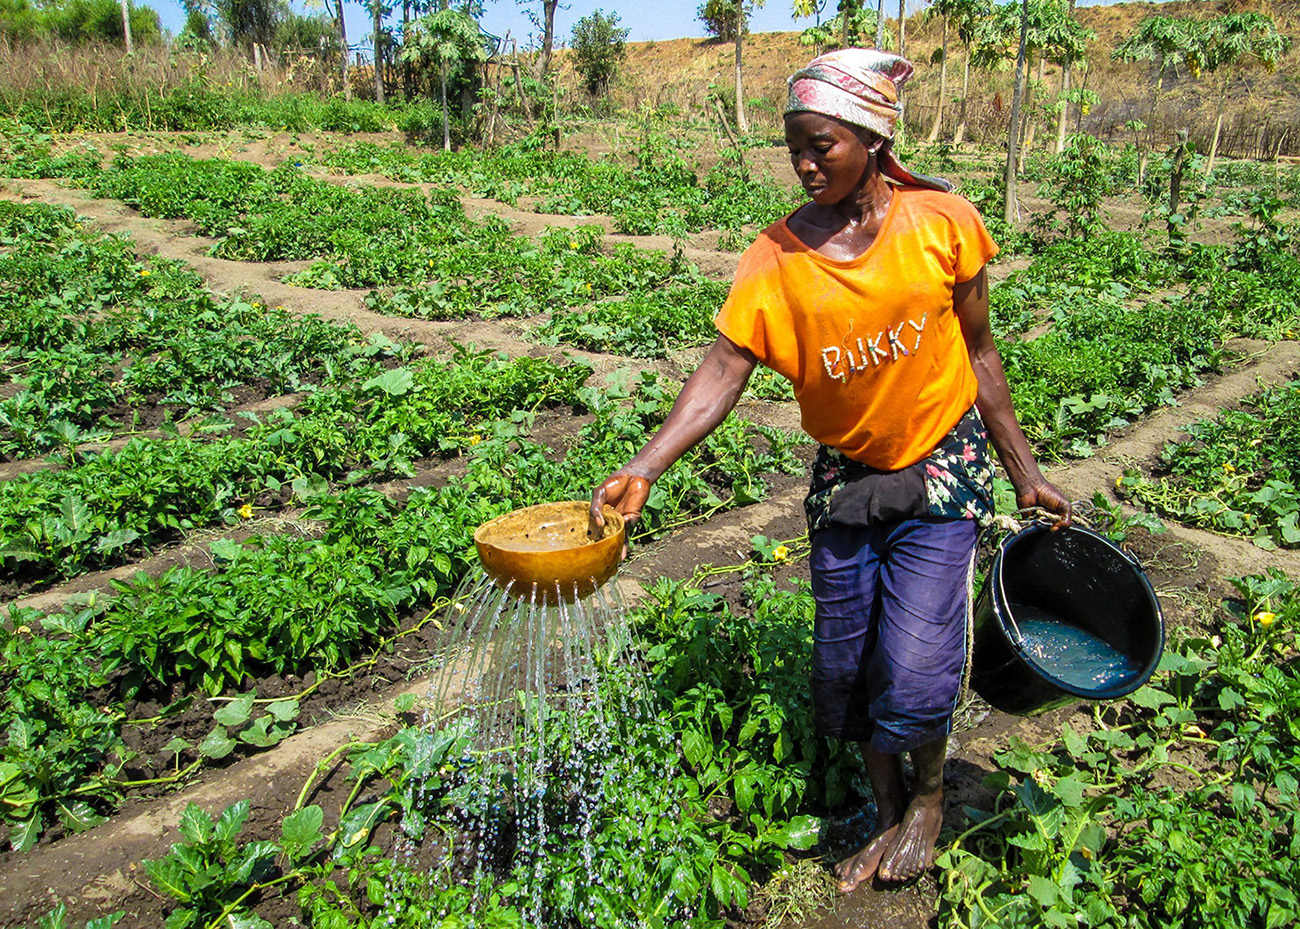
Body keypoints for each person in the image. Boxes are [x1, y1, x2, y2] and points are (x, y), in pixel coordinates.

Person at [590, 49, 1071, 892]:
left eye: (822, 147)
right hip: (849, 474)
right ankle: (884, 812)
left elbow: (982, 354)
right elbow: (724, 367)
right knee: (847, 663)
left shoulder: (942, 223)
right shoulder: (777, 256)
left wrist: (1023, 471)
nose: (806, 165)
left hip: (941, 465)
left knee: (917, 661)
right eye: (795, 151)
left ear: (873, 138)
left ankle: (927, 800)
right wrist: (647, 464)